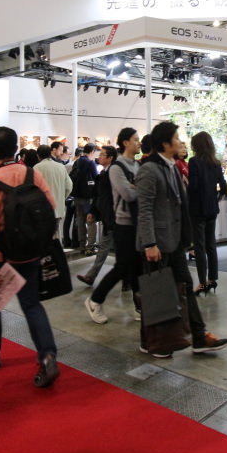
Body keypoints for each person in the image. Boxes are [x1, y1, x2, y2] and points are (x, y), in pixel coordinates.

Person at [0, 126, 61, 388]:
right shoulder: (32, 174)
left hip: (2, 257)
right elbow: (50, 206)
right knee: (32, 305)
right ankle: (48, 356)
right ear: (16, 149)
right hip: (29, 253)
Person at [135, 121, 227, 357]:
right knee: (157, 293)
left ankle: (198, 336)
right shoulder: (149, 169)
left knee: (185, 286)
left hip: (175, 241)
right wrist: (149, 243)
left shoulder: (172, 166)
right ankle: (152, 342)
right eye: (176, 138)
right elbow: (144, 209)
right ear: (165, 143)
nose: (180, 142)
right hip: (157, 243)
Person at [84, 128, 142, 323]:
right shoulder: (117, 168)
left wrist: (137, 187)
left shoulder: (137, 165)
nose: (139, 143)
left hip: (137, 223)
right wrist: (141, 187)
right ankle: (95, 300)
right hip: (122, 224)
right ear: (125, 142)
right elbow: (129, 194)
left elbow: (141, 190)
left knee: (136, 266)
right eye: (136, 139)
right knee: (122, 267)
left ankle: (140, 306)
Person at [188, 132, 227, 295]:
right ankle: (212, 279)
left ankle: (202, 282)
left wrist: (186, 186)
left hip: (198, 210)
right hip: (212, 209)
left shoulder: (194, 162)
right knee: (211, 245)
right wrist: (215, 199)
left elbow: (193, 187)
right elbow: (224, 187)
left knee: (199, 247)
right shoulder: (215, 163)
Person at [77, 145, 117, 284]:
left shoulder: (114, 173)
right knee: (105, 248)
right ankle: (91, 276)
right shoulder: (103, 174)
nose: (99, 157)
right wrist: (92, 211)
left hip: (115, 217)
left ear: (110, 158)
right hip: (109, 217)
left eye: (102, 155)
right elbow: (98, 195)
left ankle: (128, 281)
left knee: (118, 251)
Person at [35, 143, 74, 247]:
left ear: (38, 156)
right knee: (56, 233)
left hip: (43, 208)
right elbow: (69, 186)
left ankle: (47, 255)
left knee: (44, 234)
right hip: (58, 207)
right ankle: (58, 253)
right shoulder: (60, 167)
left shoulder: (36, 168)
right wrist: (62, 197)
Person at [70, 144, 99, 252]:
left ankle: (82, 245)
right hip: (88, 196)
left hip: (77, 195)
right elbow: (96, 177)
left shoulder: (77, 161)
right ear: (92, 151)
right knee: (91, 220)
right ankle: (90, 246)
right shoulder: (91, 163)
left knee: (80, 220)